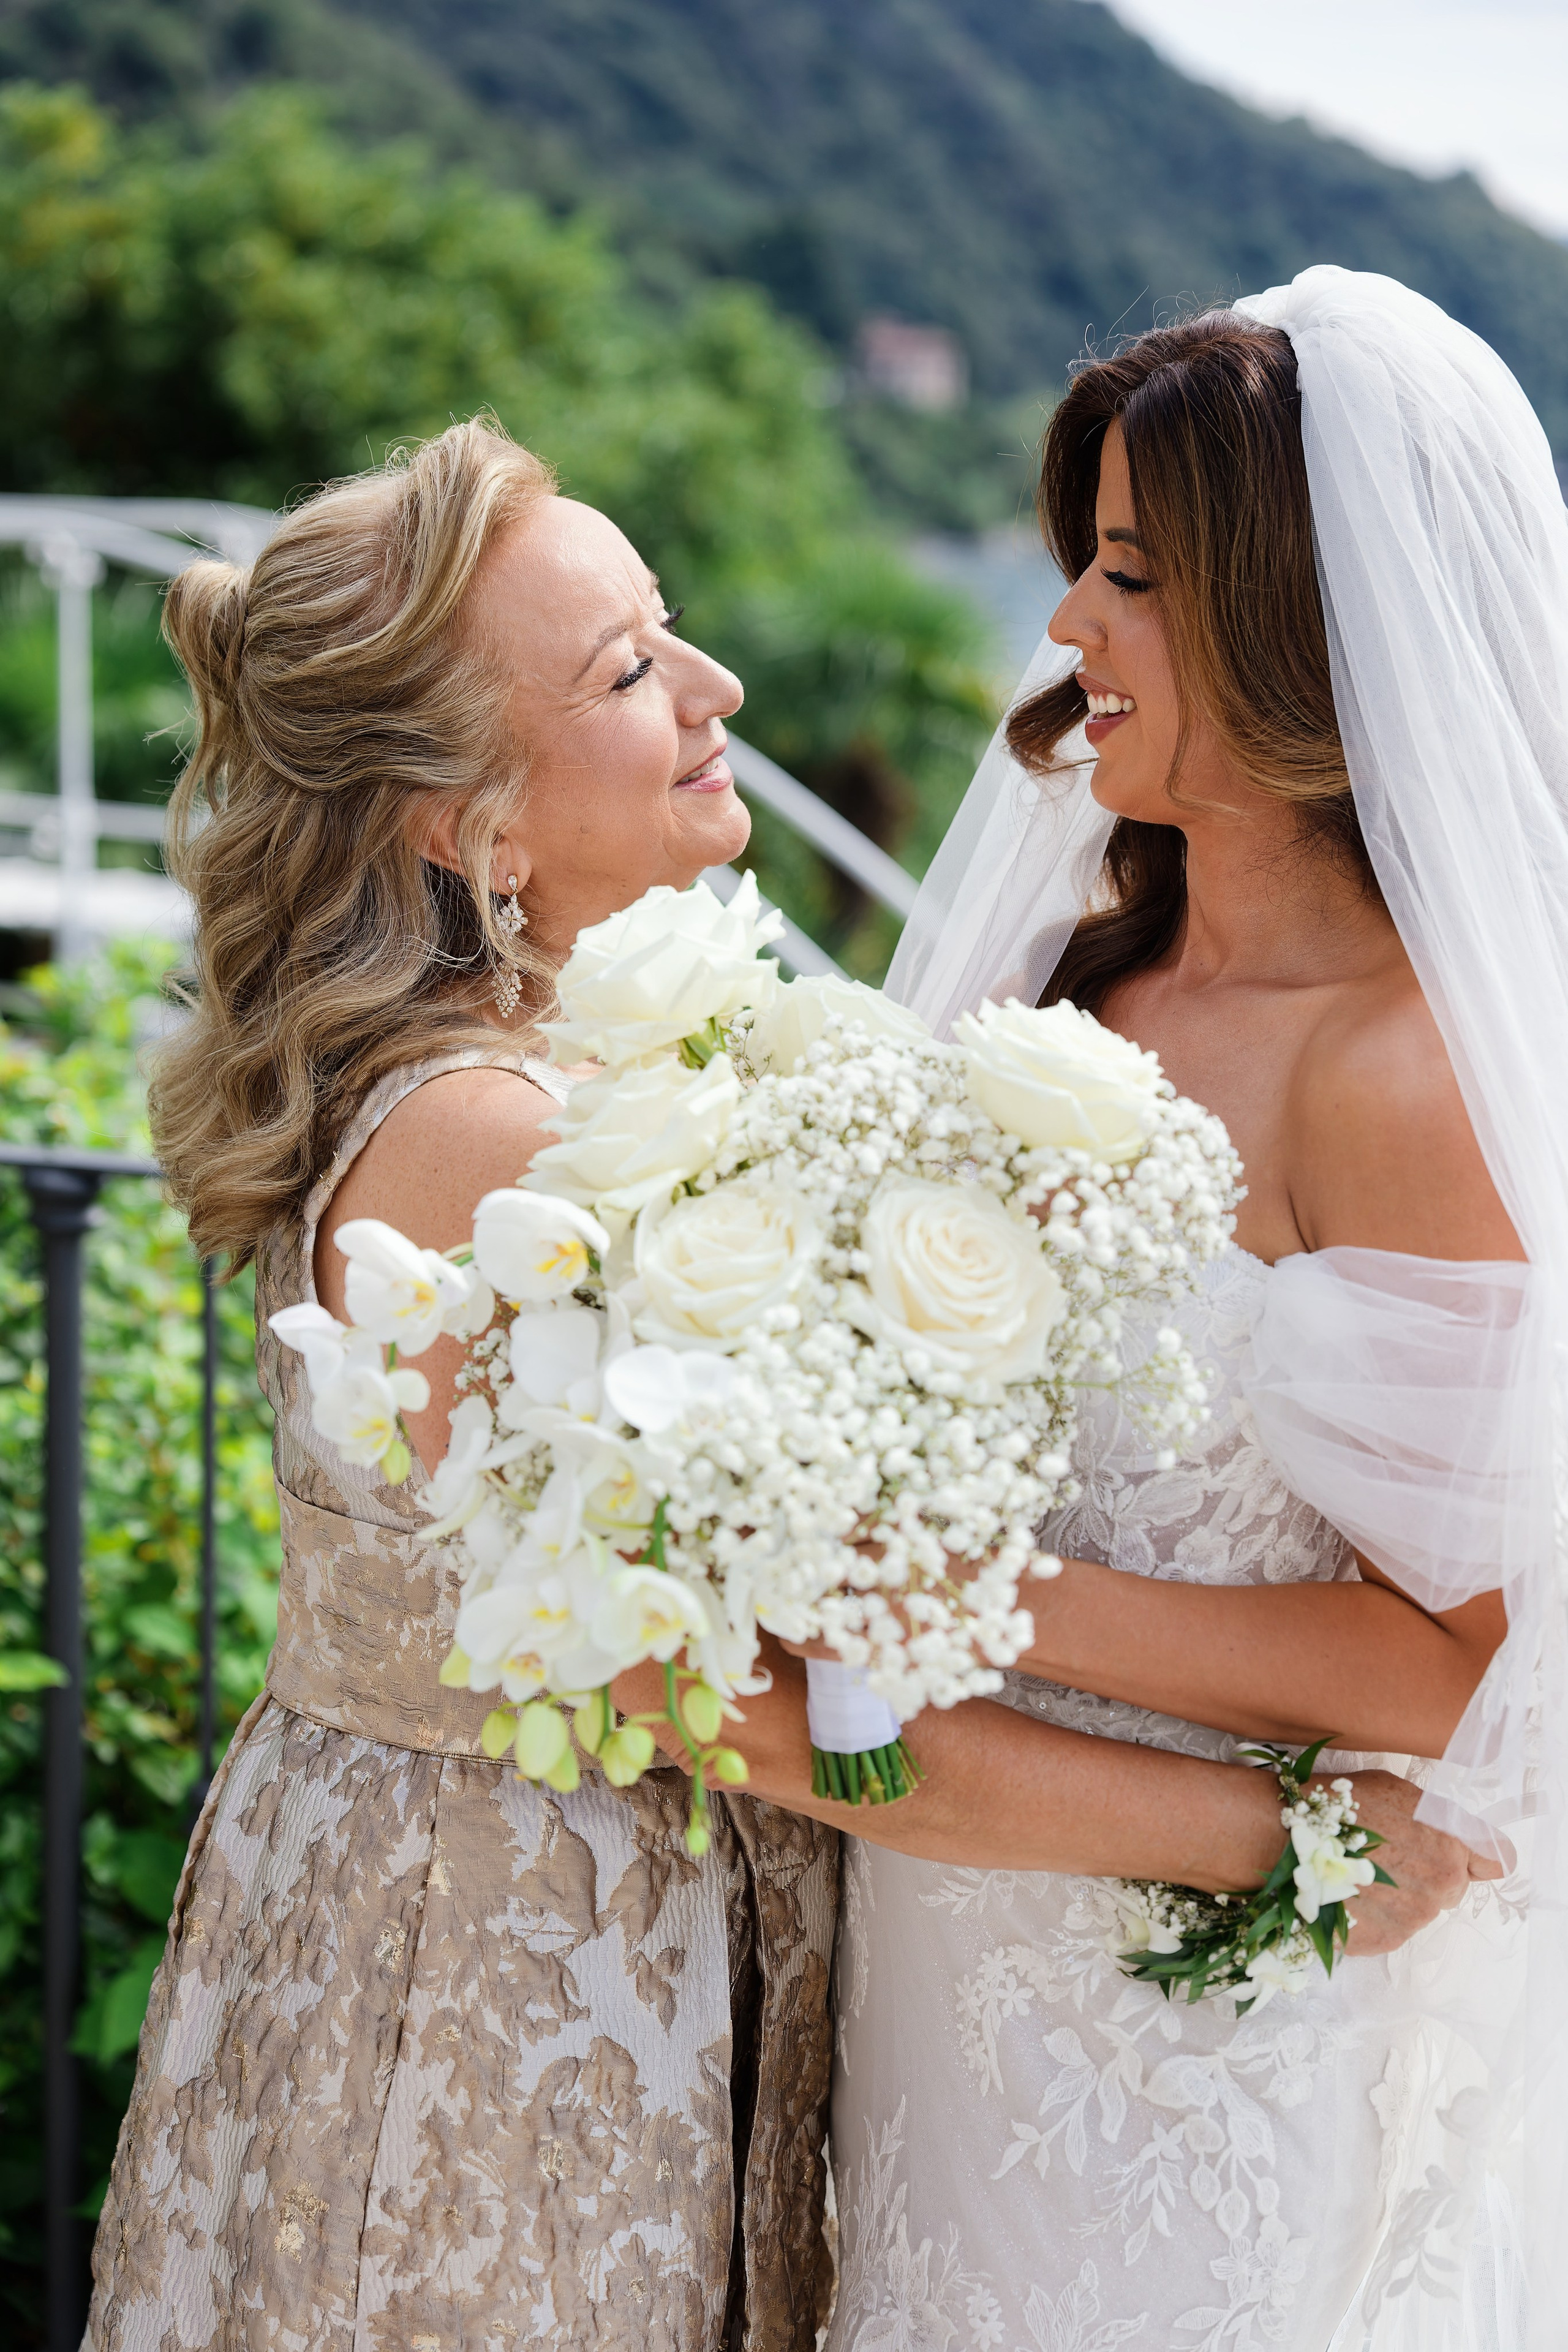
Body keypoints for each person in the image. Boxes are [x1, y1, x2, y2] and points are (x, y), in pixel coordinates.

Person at [698, 276, 1557, 2350]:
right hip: (935, 1935)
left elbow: (1466, 1674)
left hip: (1202, 2012)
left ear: (1310, 635)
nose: (1067, 627)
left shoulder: (1401, 1070)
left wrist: (991, 1599)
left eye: (1132, 576)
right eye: (1083, 559)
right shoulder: (1057, 991)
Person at [85, 421, 843, 2351]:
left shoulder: (542, 1075)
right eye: (624, 671)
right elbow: (756, 1671)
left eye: (667, 630)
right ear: (471, 823)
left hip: (494, 1913)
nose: (712, 690)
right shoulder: (487, 1141)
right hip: (495, 1977)